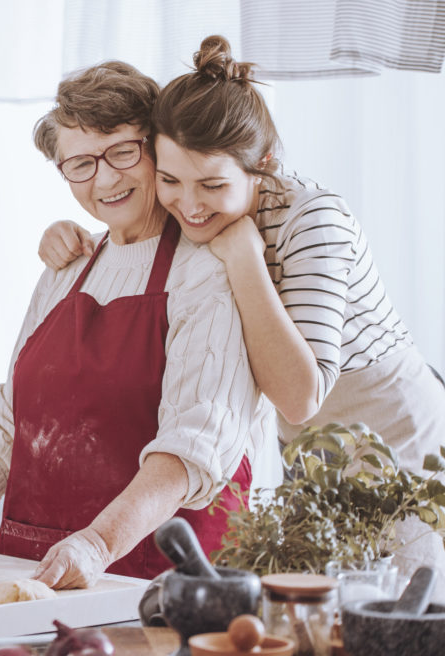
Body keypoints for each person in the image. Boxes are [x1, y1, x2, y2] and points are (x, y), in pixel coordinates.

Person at [37, 36, 445, 581]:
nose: (188, 204)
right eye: (171, 181)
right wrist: (68, 235)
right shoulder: (193, 207)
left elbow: (300, 396)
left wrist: (245, 258)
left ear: (264, 165)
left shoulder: (314, 220)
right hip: (309, 452)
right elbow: (131, 224)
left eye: (212, 185)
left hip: (394, 436)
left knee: (401, 617)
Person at [0, 61, 273, 588]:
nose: (106, 179)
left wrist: (98, 543)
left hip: (155, 581)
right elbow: (10, 423)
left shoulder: (208, 271)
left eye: (123, 152)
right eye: (81, 164)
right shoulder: (66, 267)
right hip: (36, 572)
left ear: (157, 148)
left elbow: (194, 447)